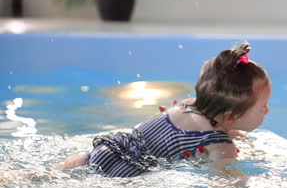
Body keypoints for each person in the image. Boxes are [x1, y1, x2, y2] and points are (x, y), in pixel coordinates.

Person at [61, 41, 271, 177]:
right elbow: (224, 181)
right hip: (130, 172)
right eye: (263, 105)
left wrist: (229, 130)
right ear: (230, 116)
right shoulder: (221, 145)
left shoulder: (186, 105)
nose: (267, 110)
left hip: (108, 148)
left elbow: (207, 124)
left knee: (66, 174)